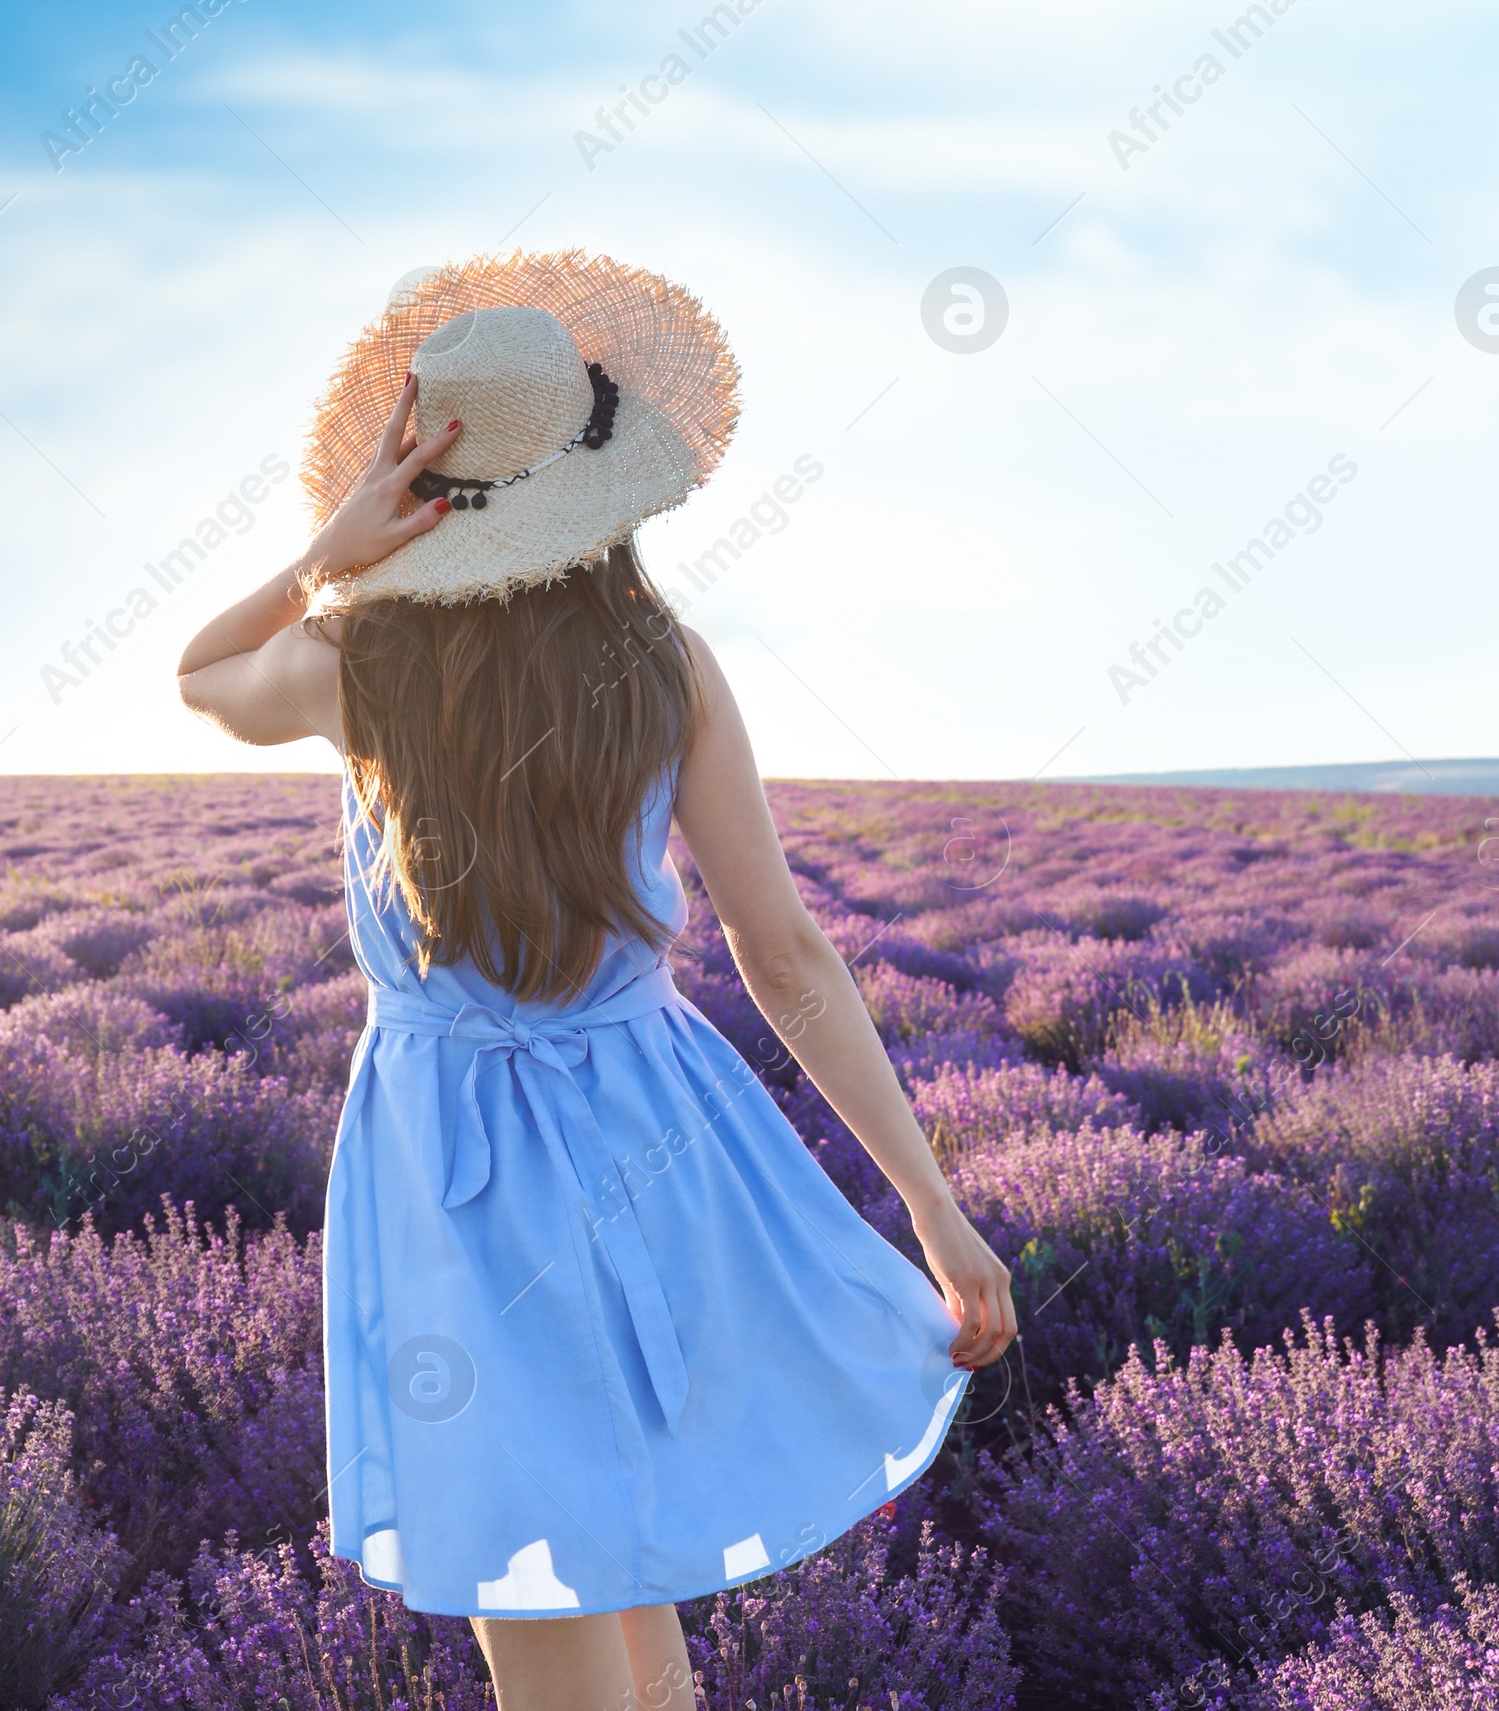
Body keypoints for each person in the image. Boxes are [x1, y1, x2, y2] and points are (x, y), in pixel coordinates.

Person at [177, 252, 1017, 1711]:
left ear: (419, 486)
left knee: (542, 1567)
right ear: (599, 479)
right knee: (620, 1577)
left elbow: (199, 673)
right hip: (657, 1137)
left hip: (456, 1177)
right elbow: (787, 950)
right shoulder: (661, 661)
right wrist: (932, 1206)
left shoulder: (358, 664)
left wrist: (331, 550)